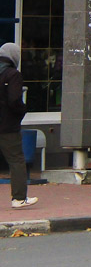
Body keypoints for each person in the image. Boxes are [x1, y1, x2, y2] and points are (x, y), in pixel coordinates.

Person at [0, 42, 36, 209]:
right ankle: (19, 198)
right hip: (7, 126)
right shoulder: (13, 74)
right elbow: (14, 100)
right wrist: (22, 111)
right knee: (16, 160)